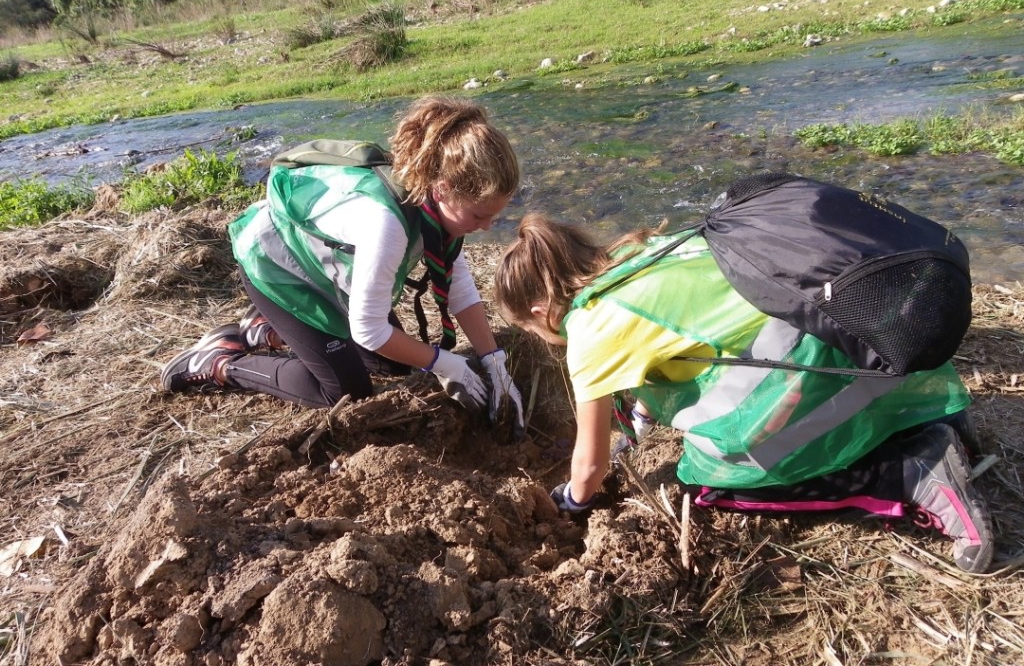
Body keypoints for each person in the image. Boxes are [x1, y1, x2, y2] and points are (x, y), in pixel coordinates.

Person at [493, 213, 994, 574]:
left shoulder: (589, 328)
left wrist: (570, 504)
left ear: (540, 311)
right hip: (855, 330)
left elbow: (589, 468)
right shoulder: (636, 255)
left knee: (710, 481)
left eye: (535, 332)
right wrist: (638, 425)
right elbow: (670, 345)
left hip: (812, 361)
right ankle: (931, 421)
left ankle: (910, 472)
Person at [161, 96, 525, 437]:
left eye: (496, 215)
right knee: (345, 391)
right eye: (480, 215)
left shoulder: (434, 207)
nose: (488, 227)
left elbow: (457, 283)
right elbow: (369, 331)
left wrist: (495, 363)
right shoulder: (385, 225)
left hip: (326, 272)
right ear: (442, 189)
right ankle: (218, 362)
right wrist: (447, 364)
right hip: (278, 270)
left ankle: (266, 330)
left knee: (397, 364)